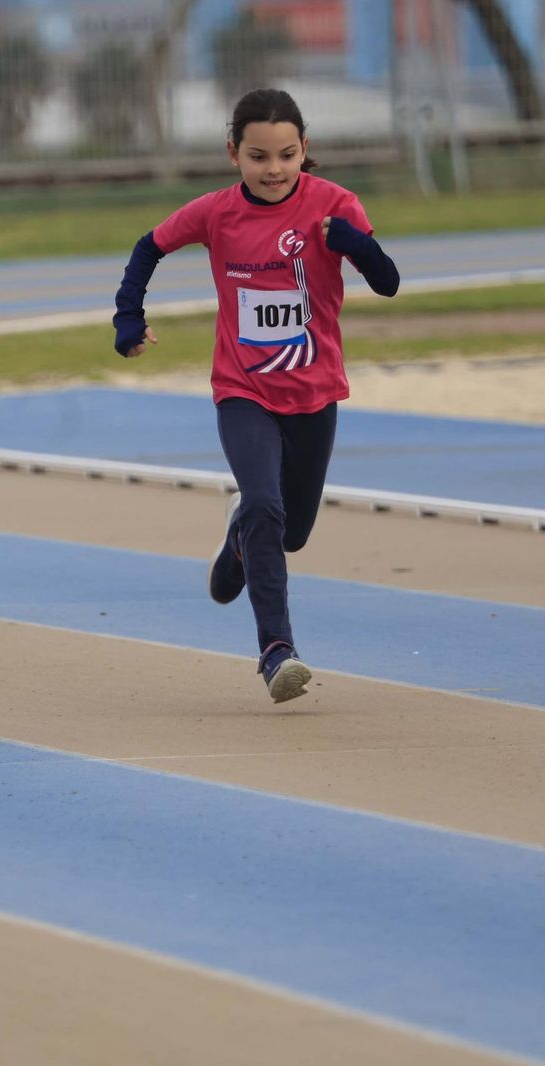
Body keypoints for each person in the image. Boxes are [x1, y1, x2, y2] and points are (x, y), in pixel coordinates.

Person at [110, 88, 400, 703]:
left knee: (289, 532)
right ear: (233, 154)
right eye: (258, 156)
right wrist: (128, 318)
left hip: (315, 391)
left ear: (305, 151)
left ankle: (241, 539)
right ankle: (277, 650)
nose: (273, 169)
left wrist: (355, 244)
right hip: (243, 389)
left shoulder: (334, 205)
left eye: (287, 155)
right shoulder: (216, 213)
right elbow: (147, 248)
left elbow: (388, 282)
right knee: (265, 504)